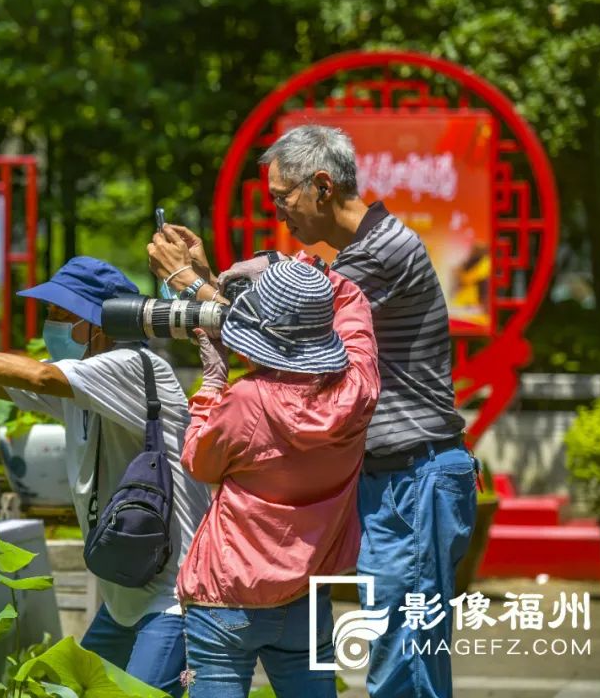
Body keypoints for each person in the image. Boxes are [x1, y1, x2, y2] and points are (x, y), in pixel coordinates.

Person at [148, 124, 478, 698]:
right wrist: (203, 281)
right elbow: (278, 319)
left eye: (283, 198)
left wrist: (190, 284)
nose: (280, 214)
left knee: (405, 670)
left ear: (322, 186)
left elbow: (281, 328)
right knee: (396, 659)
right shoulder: (359, 254)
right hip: (399, 480)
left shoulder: (380, 253)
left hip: (413, 477)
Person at [0, 256, 210, 696]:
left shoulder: (131, 366)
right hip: (125, 591)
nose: (50, 324)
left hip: (173, 595)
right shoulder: (81, 383)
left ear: (102, 324)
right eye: (49, 312)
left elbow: (38, 374)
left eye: (62, 315)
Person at [177, 258, 379, 698]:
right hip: (305, 594)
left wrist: (213, 384)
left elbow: (197, 462)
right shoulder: (359, 392)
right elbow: (355, 306)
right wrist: (307, 271)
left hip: (226, 592)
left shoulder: (247, 399)